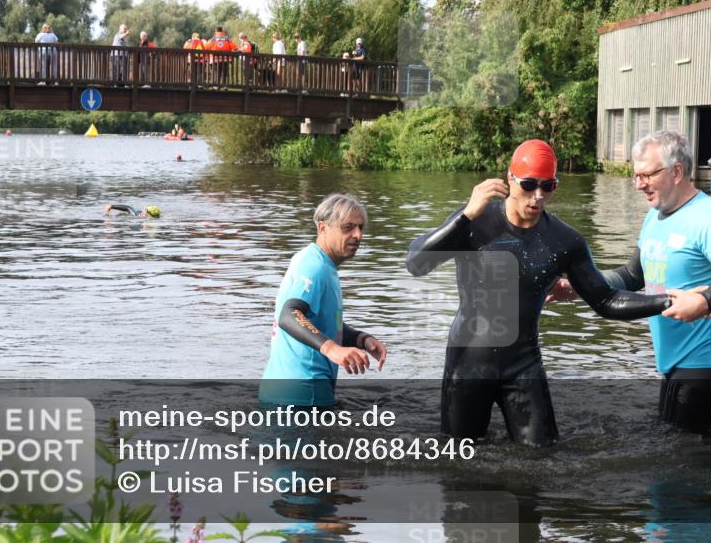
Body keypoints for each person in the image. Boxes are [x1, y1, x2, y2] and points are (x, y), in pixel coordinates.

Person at [405, 139, 673, 446]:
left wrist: (668, 301)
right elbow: (416, 264)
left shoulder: (564, 241)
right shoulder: (474, 223)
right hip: (468, 363)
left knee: (542, 458)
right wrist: (464, 215)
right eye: (529, 184)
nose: (538, 196)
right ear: (510, 179)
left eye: (548, 186)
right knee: (459, 457)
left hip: (523, 364)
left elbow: (606, 300)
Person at [547, 131, 711, 434]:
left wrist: (705, 299)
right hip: (676, 355)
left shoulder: (708, 217)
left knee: (682, 447)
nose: (639, 184)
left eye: (647, 175)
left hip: (705, 357)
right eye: (636, 175)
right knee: (677, 438)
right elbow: (633, 276)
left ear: (677, 172)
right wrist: (581, 286)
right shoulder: (655, 217)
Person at [260, 193, 387, 407]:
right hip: (302, 395)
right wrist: (332, 349)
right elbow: (289, 315)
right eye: (348, 227)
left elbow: (320, 322)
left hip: (288, 393)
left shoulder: (318, 263)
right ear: (323, 227)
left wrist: (360, 339)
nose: (358, 235)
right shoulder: (314, 266)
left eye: (360, 227)